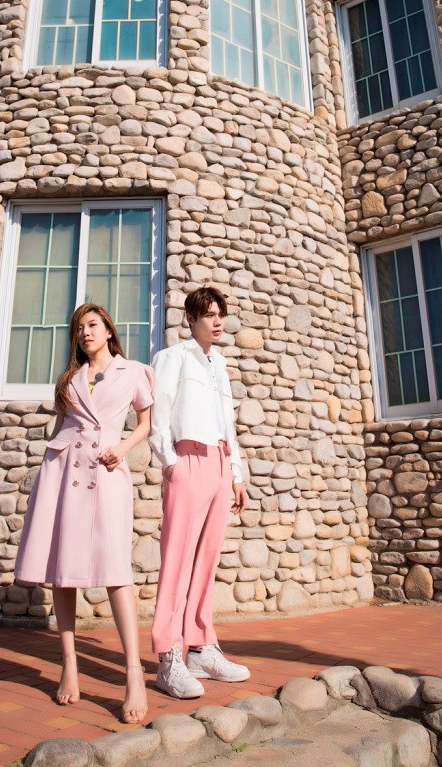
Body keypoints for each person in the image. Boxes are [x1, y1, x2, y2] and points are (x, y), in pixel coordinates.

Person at [15, 303, 154, 724]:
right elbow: (65, 427)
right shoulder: (69, 379)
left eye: (92, 325)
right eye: (79, 328)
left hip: (107, 471)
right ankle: (69, 665)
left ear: (109, 330)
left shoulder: (134, 371)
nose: (85, 333)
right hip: (63, 472)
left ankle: (134, 674)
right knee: (62, 571)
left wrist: (122, 449)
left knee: (116, 572)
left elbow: (145, 423)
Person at [150, 286, 250, 698]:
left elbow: (228, 423)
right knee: (177, 560)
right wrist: (170, 462)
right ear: (191, 319)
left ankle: (200, 648)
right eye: (209, 314)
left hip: (219, 464)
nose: (217, 320)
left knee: (206, 561)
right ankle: (168, 655)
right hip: (187, 460)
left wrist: (236, 474)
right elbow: (158, 414)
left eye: (220, 314)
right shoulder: (172, 357)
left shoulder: (219, 363)